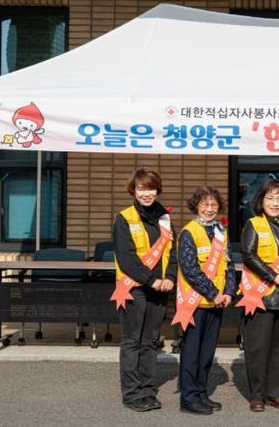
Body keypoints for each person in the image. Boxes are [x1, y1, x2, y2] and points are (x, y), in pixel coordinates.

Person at [112, 168, 177, 412]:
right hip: (133, 288)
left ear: (157, 190)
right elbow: (126, 259)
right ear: (134, 191)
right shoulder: (124, 218)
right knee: (132, 341)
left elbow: (172, 253)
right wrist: (152, 280)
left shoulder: (165, 218)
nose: (146, 193)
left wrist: (170, 277)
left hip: (159, 289)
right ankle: (132, 393)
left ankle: (148, 389)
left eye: (150, 188)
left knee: (150, 341)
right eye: (141, 189)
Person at [176, 187, 236, 415]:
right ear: (196, 206)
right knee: (192, 353)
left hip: (217, 303)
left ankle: (201, 393)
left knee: (206, 353)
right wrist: (214, 293)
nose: (209, 209)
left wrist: (228, 292)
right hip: (195, 304)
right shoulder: (189, 232)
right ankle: (189, 398)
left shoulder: (221, 231)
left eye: (213, 205)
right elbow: (190, 269)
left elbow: (229, 264)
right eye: (204, 204)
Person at [239, 179, 279, 412]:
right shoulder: (253, 224)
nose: (275, 203)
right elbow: (248, 255)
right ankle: (257, 395)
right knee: (258, 348)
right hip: (260, 296)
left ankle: (276, 393)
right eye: (270, 198)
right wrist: (275, 276)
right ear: (261, 201)